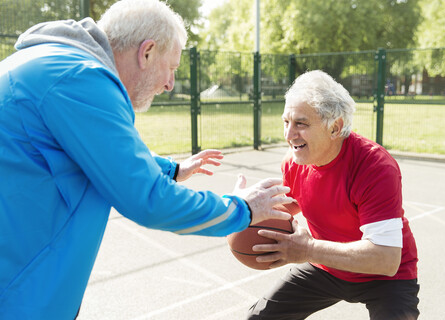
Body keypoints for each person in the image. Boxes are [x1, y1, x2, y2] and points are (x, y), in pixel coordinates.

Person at [0, 0, 293, 318]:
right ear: (147, 52)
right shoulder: (79, 78)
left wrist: (172, 169)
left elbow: (99, 151)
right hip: (18, 295)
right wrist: (244, 209)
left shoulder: (52, 63)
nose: (169, 84)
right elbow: (149, 201)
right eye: (171, 68)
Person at [247, 70, 420, 320]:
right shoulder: (295, 162)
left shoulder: (374, 167)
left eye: (301, 123)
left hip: (385, 278)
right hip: (326, 268)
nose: (289, 134)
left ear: (335, 127)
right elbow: (282, 209)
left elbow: (386, 258)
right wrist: (243, 209)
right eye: (286, 122)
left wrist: (308, 250)